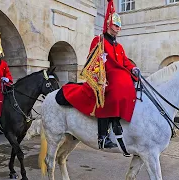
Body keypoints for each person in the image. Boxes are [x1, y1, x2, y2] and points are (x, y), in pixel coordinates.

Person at [60, 0, 140, 149]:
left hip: (118, 75)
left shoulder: (119, 46)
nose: (118, 29)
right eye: (116, 26)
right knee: (113, 89)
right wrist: (100, 70)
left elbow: (125, 63)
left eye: (119, 26)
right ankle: (102, 137)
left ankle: (117, 120)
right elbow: (92, 60)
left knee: (127, 82)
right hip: (103, 77)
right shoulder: (99, 40)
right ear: (109, 25)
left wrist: (133, 69)